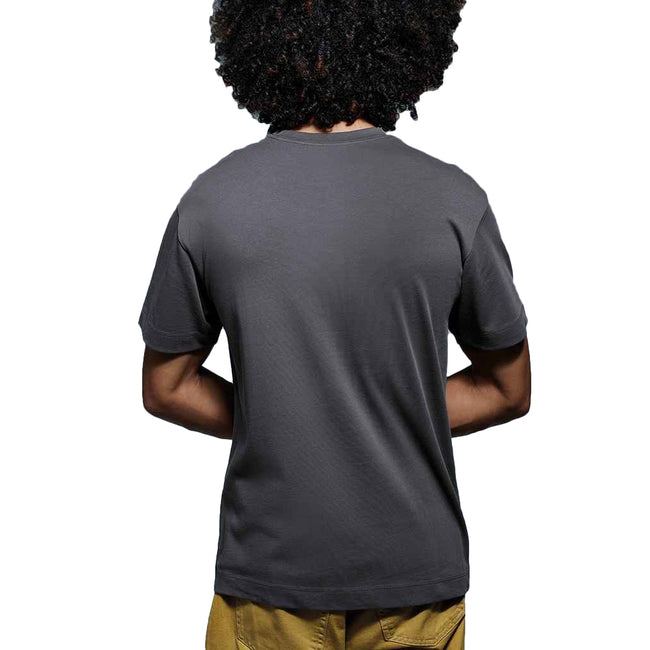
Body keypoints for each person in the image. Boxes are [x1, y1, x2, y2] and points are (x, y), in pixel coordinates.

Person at [139, 0, 531, 647]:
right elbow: (507, 389)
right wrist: (384, 414)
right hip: (414, 577)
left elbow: (166, 387)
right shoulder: (455, 200)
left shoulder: (211, 201)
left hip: (270, 576)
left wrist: (287, 417)